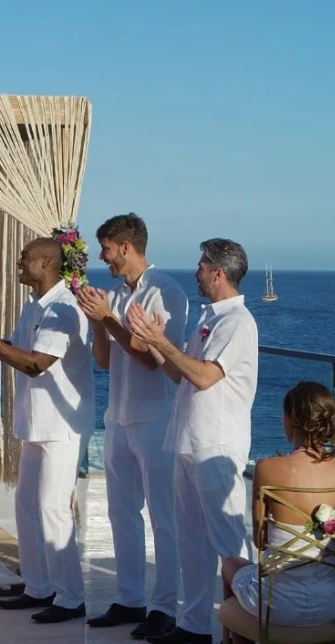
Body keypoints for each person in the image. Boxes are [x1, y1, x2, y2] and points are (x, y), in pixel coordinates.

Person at [0, 237, 95, 624]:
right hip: (35, 422)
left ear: (46, 263)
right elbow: (17, 348)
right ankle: (38, 586)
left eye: (25, 257)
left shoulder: (64, 307)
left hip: (62, 426)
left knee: (53, 509)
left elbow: (35, 363)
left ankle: (70, 597)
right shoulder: (35, 307)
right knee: (26, 505)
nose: (18, 262)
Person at [128, 238, 258, 644]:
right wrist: (155, 342)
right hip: (189, 442)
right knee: (192, 544)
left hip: (215, 448)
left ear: (218, 273)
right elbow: (183, 375)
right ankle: (195, 627)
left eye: (202, 265)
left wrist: (161, 342)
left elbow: (204, 376)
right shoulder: (211, 319)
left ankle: (249, 628)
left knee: (230, 546)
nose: (197, 272)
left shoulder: (237, 322)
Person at [78, 214, 187, 638]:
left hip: (157, 418)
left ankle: (166, 608)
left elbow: (151, 357)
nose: (101, 256)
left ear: (125, 246)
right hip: (119, 418)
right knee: (121, 513)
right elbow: (105, 361)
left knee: (163, 516)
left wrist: (109, 319)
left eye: (105, 247)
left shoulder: (167, 292)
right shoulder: (118, 295)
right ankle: (129, 599)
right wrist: (98, 322)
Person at [222, 381, 335, 641]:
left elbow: (260, 540)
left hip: (278, 606)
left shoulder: (267, 468)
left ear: (292, 418)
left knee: (230, 564)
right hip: (330, 603)